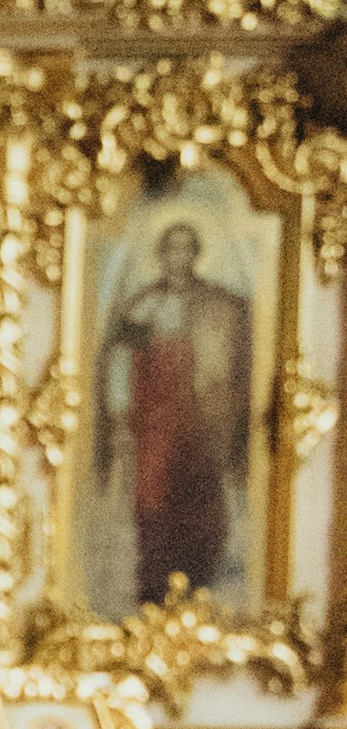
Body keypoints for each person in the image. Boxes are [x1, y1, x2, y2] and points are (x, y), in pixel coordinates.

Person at [96, 215, 253, 602]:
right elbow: (116, 361)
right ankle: (153, 585)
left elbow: (230, 361)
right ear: (161, 255)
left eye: (185, 248)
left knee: (199, 501)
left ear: (195, 255)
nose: (176, 257)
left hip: (199, 424)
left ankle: (199, 582)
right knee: (152, 504)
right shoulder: (143, 304)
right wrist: (119, 415)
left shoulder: (218, 302)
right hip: (153, 426)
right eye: (170, 248)